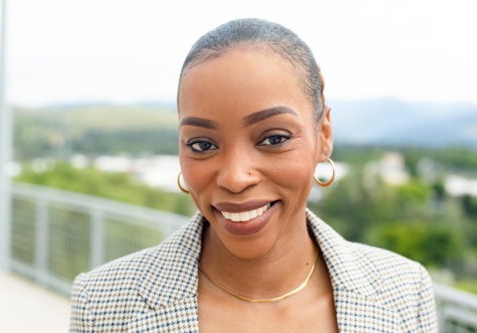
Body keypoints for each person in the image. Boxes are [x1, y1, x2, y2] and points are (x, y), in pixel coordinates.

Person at [70, 18, 438, 332]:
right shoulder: (102, 304)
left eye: (274, 138)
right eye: (201, 145)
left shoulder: (404, 293)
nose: (234, 177)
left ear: (323, 135)